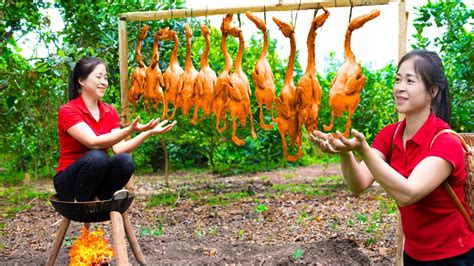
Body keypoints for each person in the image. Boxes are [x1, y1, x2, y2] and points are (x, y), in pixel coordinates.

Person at [309, 50, 473, 265]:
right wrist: (346, 152)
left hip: (454, 256)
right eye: (397, 79)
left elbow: (408, 193)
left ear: (432, 91)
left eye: (410, 81)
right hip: (414, 254)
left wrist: (364, 151)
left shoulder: (445, 142)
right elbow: (358, 184)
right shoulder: (391, 134)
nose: (400, 88)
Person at [54, 56, 177, 202]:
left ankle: (99, 198)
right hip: (69, 185)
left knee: (125, 161)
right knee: (98, 156)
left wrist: (147, 132)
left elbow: (119, 149)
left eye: (105, 77)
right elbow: (93, 142)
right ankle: (83, 203)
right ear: (81, 80)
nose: (103, 82)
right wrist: (129, 130)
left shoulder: (110, 111)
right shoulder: (68, 110)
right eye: (98, 77)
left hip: (96, 180)